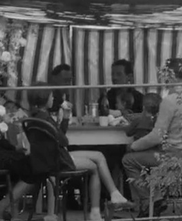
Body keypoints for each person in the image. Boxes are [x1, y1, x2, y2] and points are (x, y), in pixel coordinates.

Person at [28, 83, 132, 221]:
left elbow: (59, 137)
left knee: (99, 156)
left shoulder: (34, 117)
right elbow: (64, 141)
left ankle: (114, 194)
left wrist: (65, 117)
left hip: (50, 157)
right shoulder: (46, 118)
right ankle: (96, 211)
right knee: (94, 167)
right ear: (45, 98)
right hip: (58, 159)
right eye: (51, 95)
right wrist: (63, 123)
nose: (53, 98)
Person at [122, 56, 182, 217]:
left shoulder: (170, 101)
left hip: (172, 156)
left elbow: (157, 136)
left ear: (169, 75)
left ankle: (153, 199)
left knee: (128, 160)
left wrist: (134, 146)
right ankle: (156, 199)